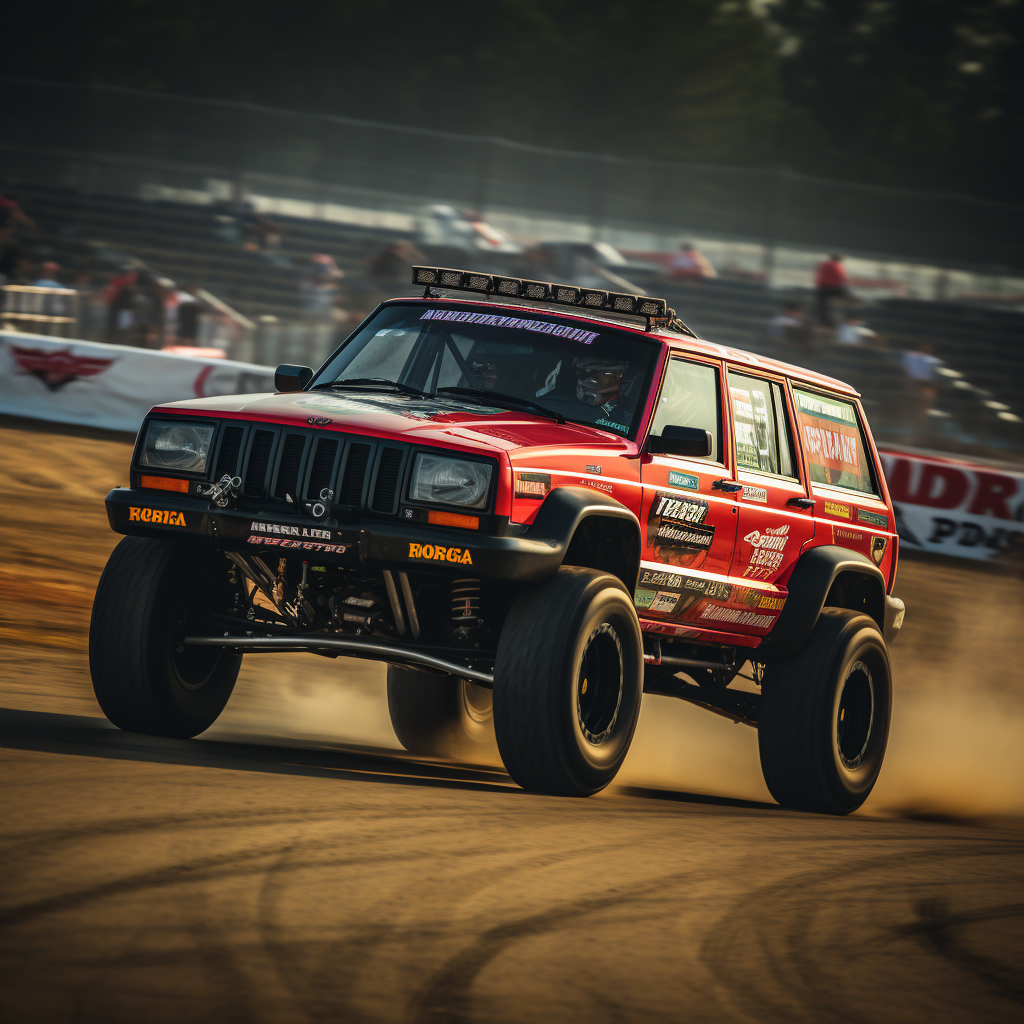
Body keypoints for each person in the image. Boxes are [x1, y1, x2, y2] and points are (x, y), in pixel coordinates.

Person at [903, 341, 942, 444]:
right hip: (913, 386)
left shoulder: (934, 362)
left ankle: (918, 438)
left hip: (923, 387)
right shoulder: (910, 356)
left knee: (921, 414)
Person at [814, 253, 850, 326]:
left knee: (822, 306)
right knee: (843, 302)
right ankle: (843, 320)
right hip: (834, 289)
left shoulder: (823, 265)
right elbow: (842, 276)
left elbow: (818, 276)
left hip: (823, 288)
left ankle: (823, 321)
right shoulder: (836, 265)